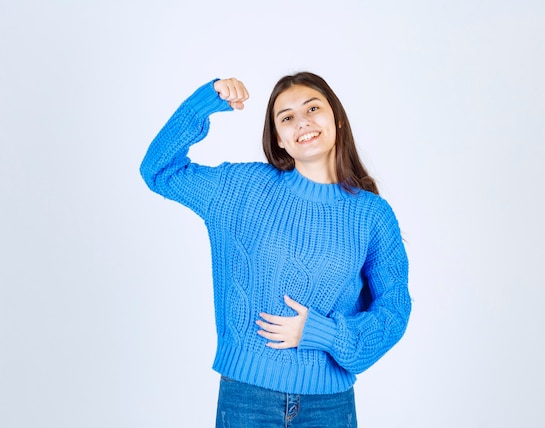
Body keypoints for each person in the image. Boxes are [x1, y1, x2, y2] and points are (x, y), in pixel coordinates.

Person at [140, 72, 411, 427]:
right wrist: (203, 103)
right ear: (279, 140)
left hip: (328, 406)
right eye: (287, 117)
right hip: (247, 399)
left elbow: (394, 309)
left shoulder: (372, 215)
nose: (303, 122)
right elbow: (158, 170)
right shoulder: (241, 189)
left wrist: (323, 333)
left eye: (313, 108)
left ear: (337, 120)